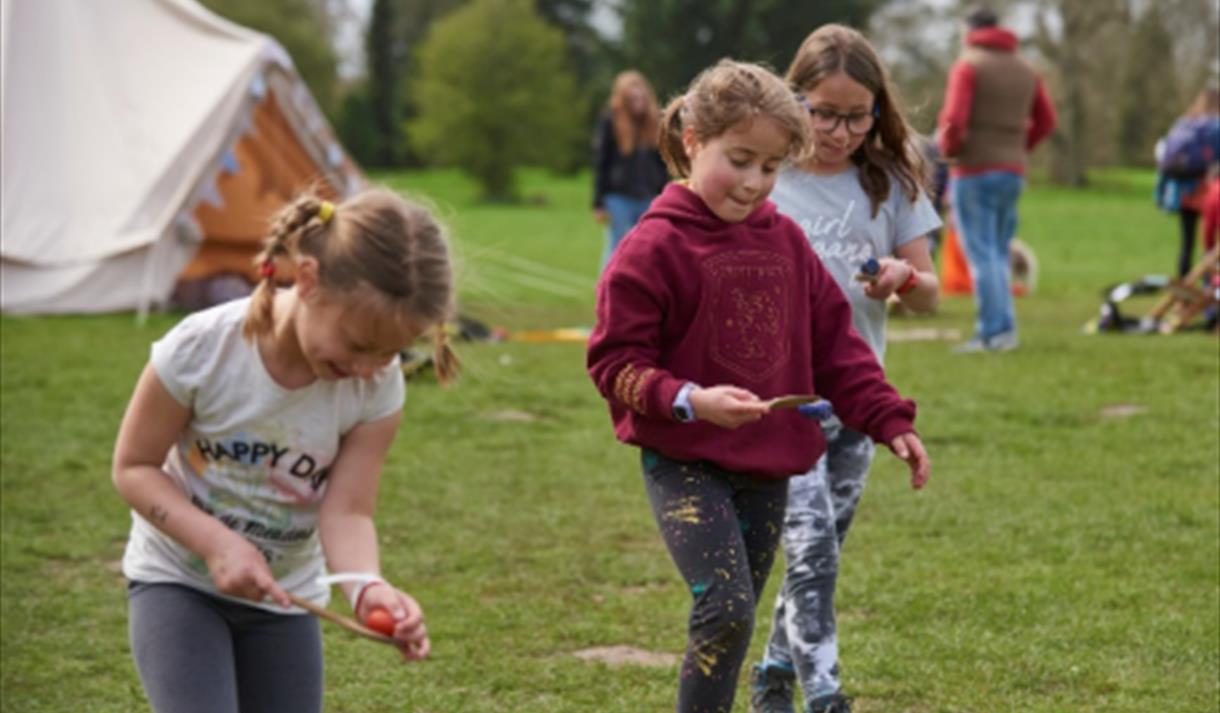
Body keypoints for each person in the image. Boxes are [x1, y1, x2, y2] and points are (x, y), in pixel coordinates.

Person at [586, 59, 931, 713]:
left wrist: (891, 420)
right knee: (725, 606)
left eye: (771, 168)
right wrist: (691, 400)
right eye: (739, 159)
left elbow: (837, 346)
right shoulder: (649, 249)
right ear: (692, 139)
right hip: (686, 463)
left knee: (732, 624)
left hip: (768, 465)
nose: (753, 183)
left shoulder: (787, 243)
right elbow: (614, 364)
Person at [112, 188, 457, 713]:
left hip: (286, 602)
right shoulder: (200, 349)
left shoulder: (377, 387)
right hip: (179, 584)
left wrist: (368, 588)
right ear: (310, 280)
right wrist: (215, 544)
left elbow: (348, 510)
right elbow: (133, 468)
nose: (370, 367)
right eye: (360, 345)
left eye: (390, 353)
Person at [747, 24, 941, 713]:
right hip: (780, 402)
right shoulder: (766, 175)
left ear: (877, 108)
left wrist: (902, 277)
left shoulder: (890, 182)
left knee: (820, 550)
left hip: (858, 401)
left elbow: (933, 291)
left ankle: (773, 671)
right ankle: (826, 695)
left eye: (856, 115)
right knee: (809, 555)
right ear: (793, 99)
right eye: (822, 112)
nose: (838, 130)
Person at [937, 5, 1057, 353]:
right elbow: (1047, 121)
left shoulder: (968, 64)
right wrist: (1020, 149)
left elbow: (954, 120)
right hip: (1013, 172)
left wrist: (949, 151)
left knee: (981, 254)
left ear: (968, 30)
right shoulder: (1027, 69)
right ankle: (1006, 330)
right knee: (999, 252)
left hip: (974, 171)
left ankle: (992, 334)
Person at [592, 70, 670, 270]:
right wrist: (598, 202)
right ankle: (607, 295)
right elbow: (601, 162)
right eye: (633, 98)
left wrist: (666, 195)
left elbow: (662, 163)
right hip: (618, 196)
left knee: (648, 248)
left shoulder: (655, 123)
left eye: (641, 98)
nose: (638, 103)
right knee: (616, 246)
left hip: (648, 195)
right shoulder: (610, 122)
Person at [1154, 87, 1220, 278]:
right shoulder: (1214, 127)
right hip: (1208, 192)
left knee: (1187, 243)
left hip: (1182, 192)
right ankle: (1210, 289)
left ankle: (1184, 291)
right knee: (1211, 244)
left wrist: (1160, 193)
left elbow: (1164, 158)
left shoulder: (1183, 124)